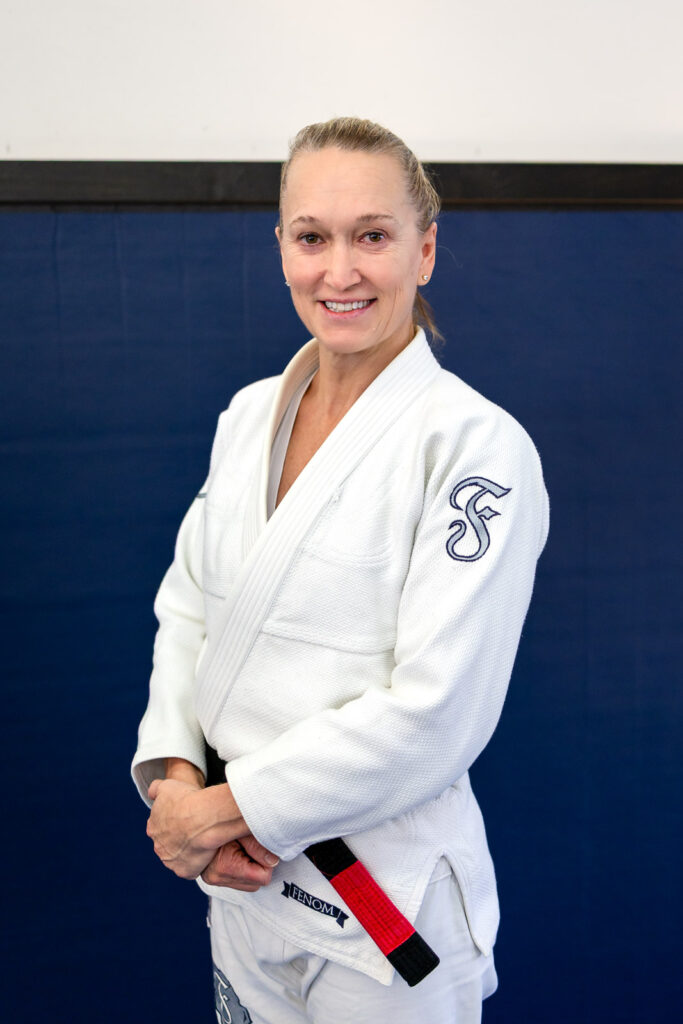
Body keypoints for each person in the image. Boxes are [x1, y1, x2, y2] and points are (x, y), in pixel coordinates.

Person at [132, 116, 549, 1024]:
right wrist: (175, 776)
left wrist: (239, 803)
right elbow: (190, 608)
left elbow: (438, 710)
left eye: (373, 236)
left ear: (425, 250)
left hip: (380, 898)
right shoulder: (248, 417)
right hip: (242, 879)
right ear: (280, 246)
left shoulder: (476, 449)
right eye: (312, 238)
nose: (340, 271)